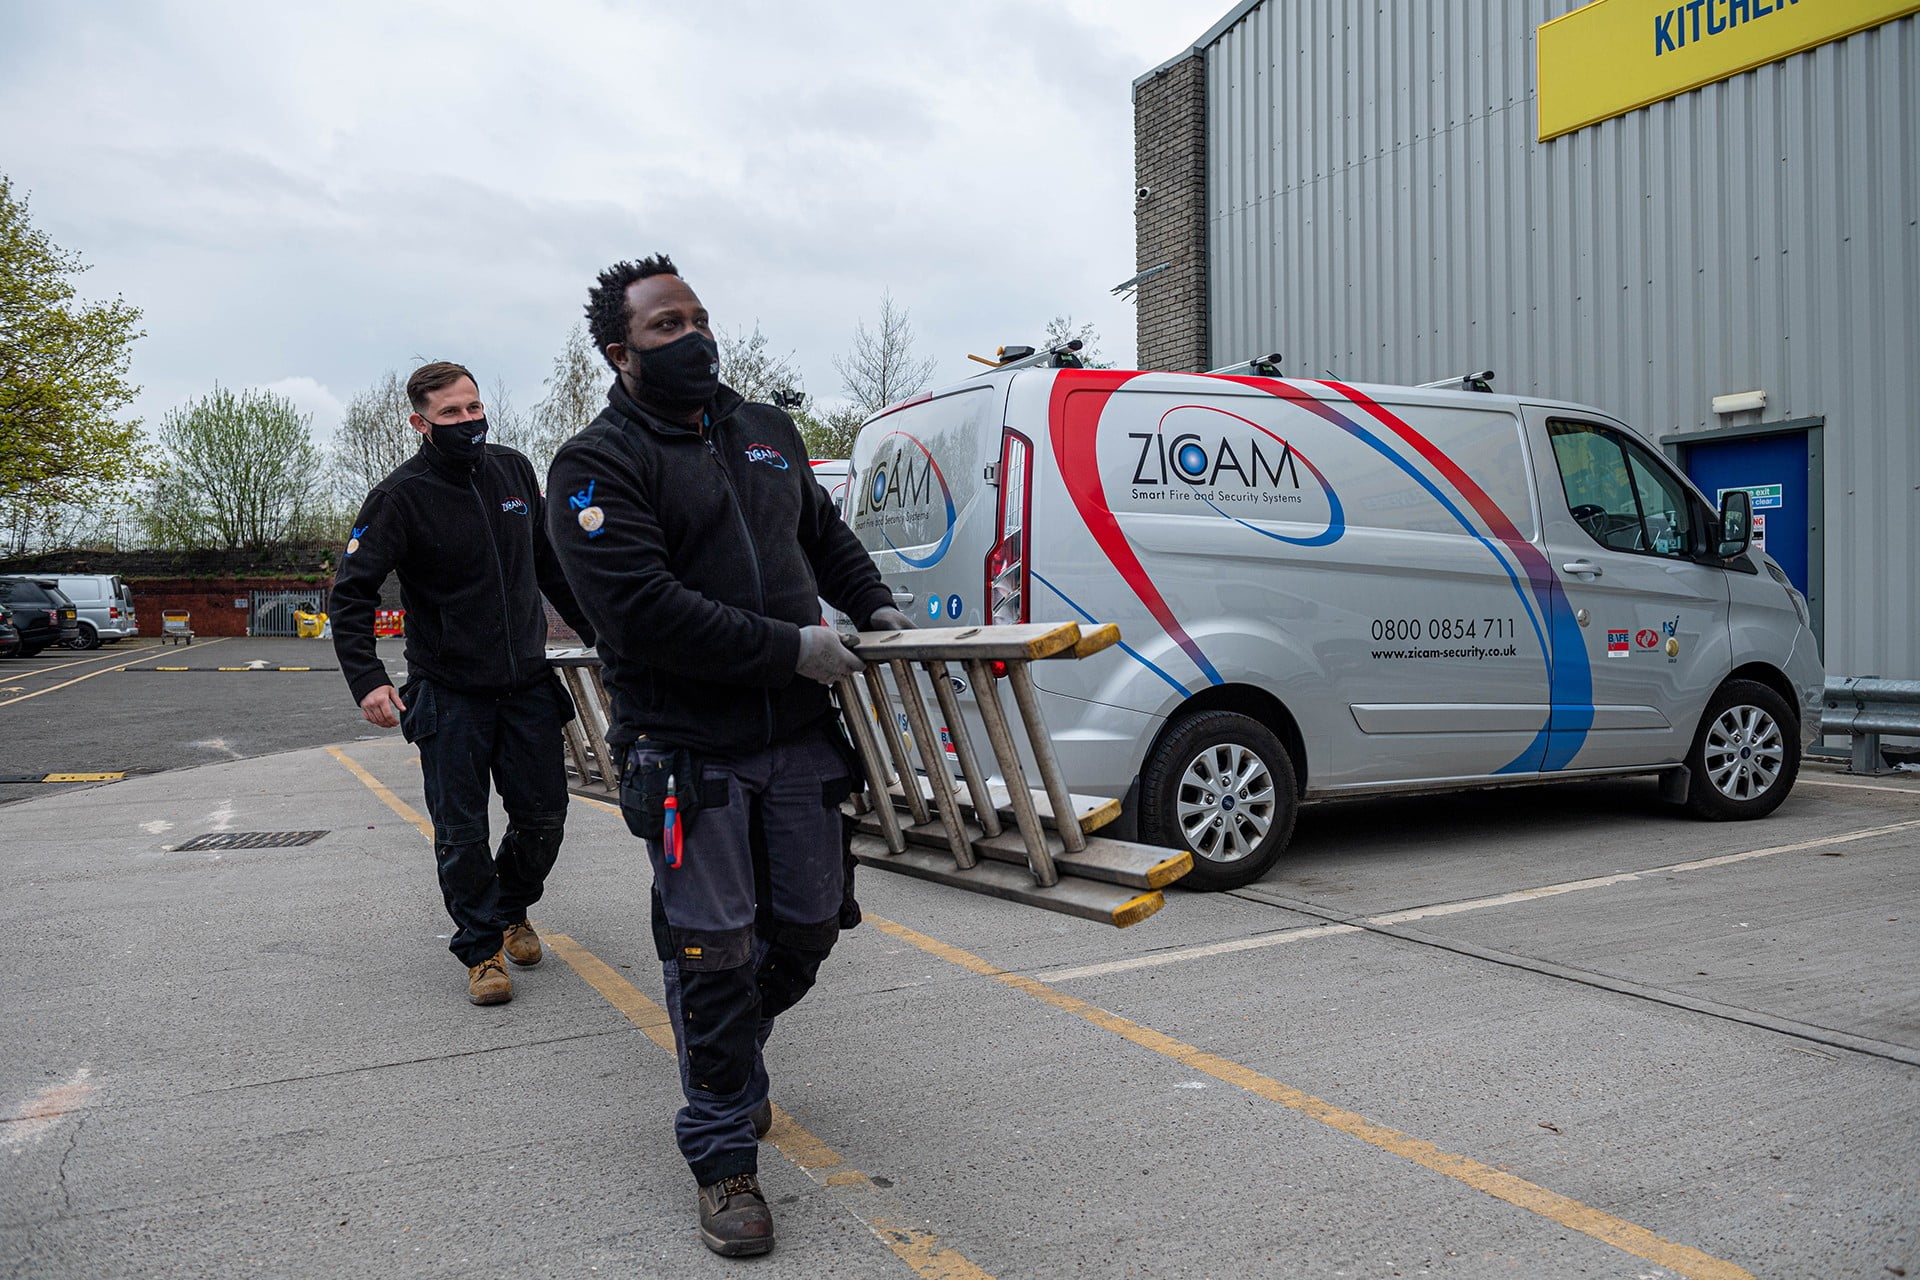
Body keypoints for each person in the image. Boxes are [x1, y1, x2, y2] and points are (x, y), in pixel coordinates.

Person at [546, 256, 912, 1257]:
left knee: (804, 926)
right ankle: (721, 1154)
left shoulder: (768, 434)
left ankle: (728, 1051)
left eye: (700, 316)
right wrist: (791, 647)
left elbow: (821, 532)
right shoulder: (594, 464)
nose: (696, 335)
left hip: (795, 737)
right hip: (685, 748)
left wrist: (872, 602)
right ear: (621, 352)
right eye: (668, 325)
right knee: (713, 952)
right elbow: (640, 611)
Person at [332, 360, 596, 1007]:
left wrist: (604, 635)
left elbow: (550, 566)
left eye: (474, 408)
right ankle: (482, 951)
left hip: (527, 684)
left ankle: (511, 908)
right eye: (451, 414)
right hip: (449, 692)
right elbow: (351, 594)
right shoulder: (400, 496)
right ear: (420, 422)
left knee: (545, 818)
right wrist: (367, 679)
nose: (468, 422)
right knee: (461, 832)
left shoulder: (513, 471)